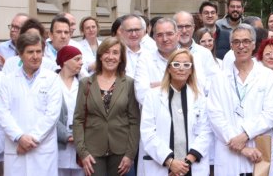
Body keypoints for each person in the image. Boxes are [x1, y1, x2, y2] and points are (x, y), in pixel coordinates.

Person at [207, 24, 273, 175]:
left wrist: (245, 135)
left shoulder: (267, 76)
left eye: (246, 41)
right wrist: (240, 146)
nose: (241, 46)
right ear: (231, 46)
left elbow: (270, 114)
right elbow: (215, 115)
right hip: (229, 150)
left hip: (259, 149)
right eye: (236, 42)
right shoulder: (219, 78)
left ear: (254, 44)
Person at [0, 31, 63, 176]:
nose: (35, 56)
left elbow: (52, 115)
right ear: (20, 54)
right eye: (30, 52)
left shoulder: (52, 79)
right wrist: (19, 137)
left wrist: (30, 140)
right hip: (16, 146)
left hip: (42, 149)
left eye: (39, 51)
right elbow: (2, 112)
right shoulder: (8, 80)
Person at [74, 37, 140, 176]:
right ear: (100, 55)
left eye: (115, 53)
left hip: (121, 151)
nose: (111, 57)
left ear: (121, 58)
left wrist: (130, 154)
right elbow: (78, 120)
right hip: (93, 151)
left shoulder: (129, 84)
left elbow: (134, 121)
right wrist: (82, 152)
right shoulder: (86, 83)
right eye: (106, 52)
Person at [139, 49, 211, 176]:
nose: (181, 68)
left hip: (191, 166)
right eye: (176, 64)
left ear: (191, 71)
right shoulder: (153, 95)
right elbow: (147, 133)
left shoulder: (199, 97)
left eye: (186, 65)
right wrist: (171, 162)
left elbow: (205, 131)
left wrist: (186, 162)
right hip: (162, 165)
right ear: (169, 69)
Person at [55, 45, 86, 176]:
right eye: (77, 59)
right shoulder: (51, 82)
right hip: (58, 147)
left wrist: (80, 136)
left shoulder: (84, 84)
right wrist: (65, 135)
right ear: (65, 60)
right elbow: (48, 114)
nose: (81, 62)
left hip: (80, 147)